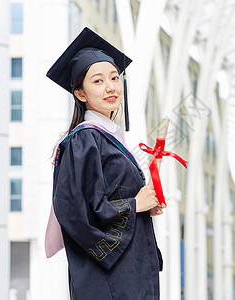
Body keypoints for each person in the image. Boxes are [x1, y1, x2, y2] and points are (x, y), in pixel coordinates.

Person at [45, 27, 164, 299]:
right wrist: (135, 205)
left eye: (114, 77)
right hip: (110, 277)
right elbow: (77, 212)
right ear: (80, 93)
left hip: (129, 269)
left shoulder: (107, 138)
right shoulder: (84, 140)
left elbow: (107, 201)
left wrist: (143, 208)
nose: (111, 86)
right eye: (98, 81)